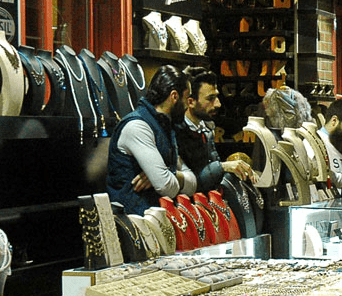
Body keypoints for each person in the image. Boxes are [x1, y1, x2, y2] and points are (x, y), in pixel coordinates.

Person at [106, 65, 197, 215]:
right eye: (187, 98)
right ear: (174, 96)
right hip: (132, 220)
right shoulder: (138, 126)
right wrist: (165, 176)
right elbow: (166, 187)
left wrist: (169, 173)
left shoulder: (165, 125)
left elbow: (193, 182)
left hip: (154, 218)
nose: (189, 104)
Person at [177, 69, 255, 191]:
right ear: (191, 102)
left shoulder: (207, 128)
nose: (218, 104)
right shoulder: (177, 133)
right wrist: (223, 167)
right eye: (210, 98)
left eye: (217, 96)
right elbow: (191, 182)